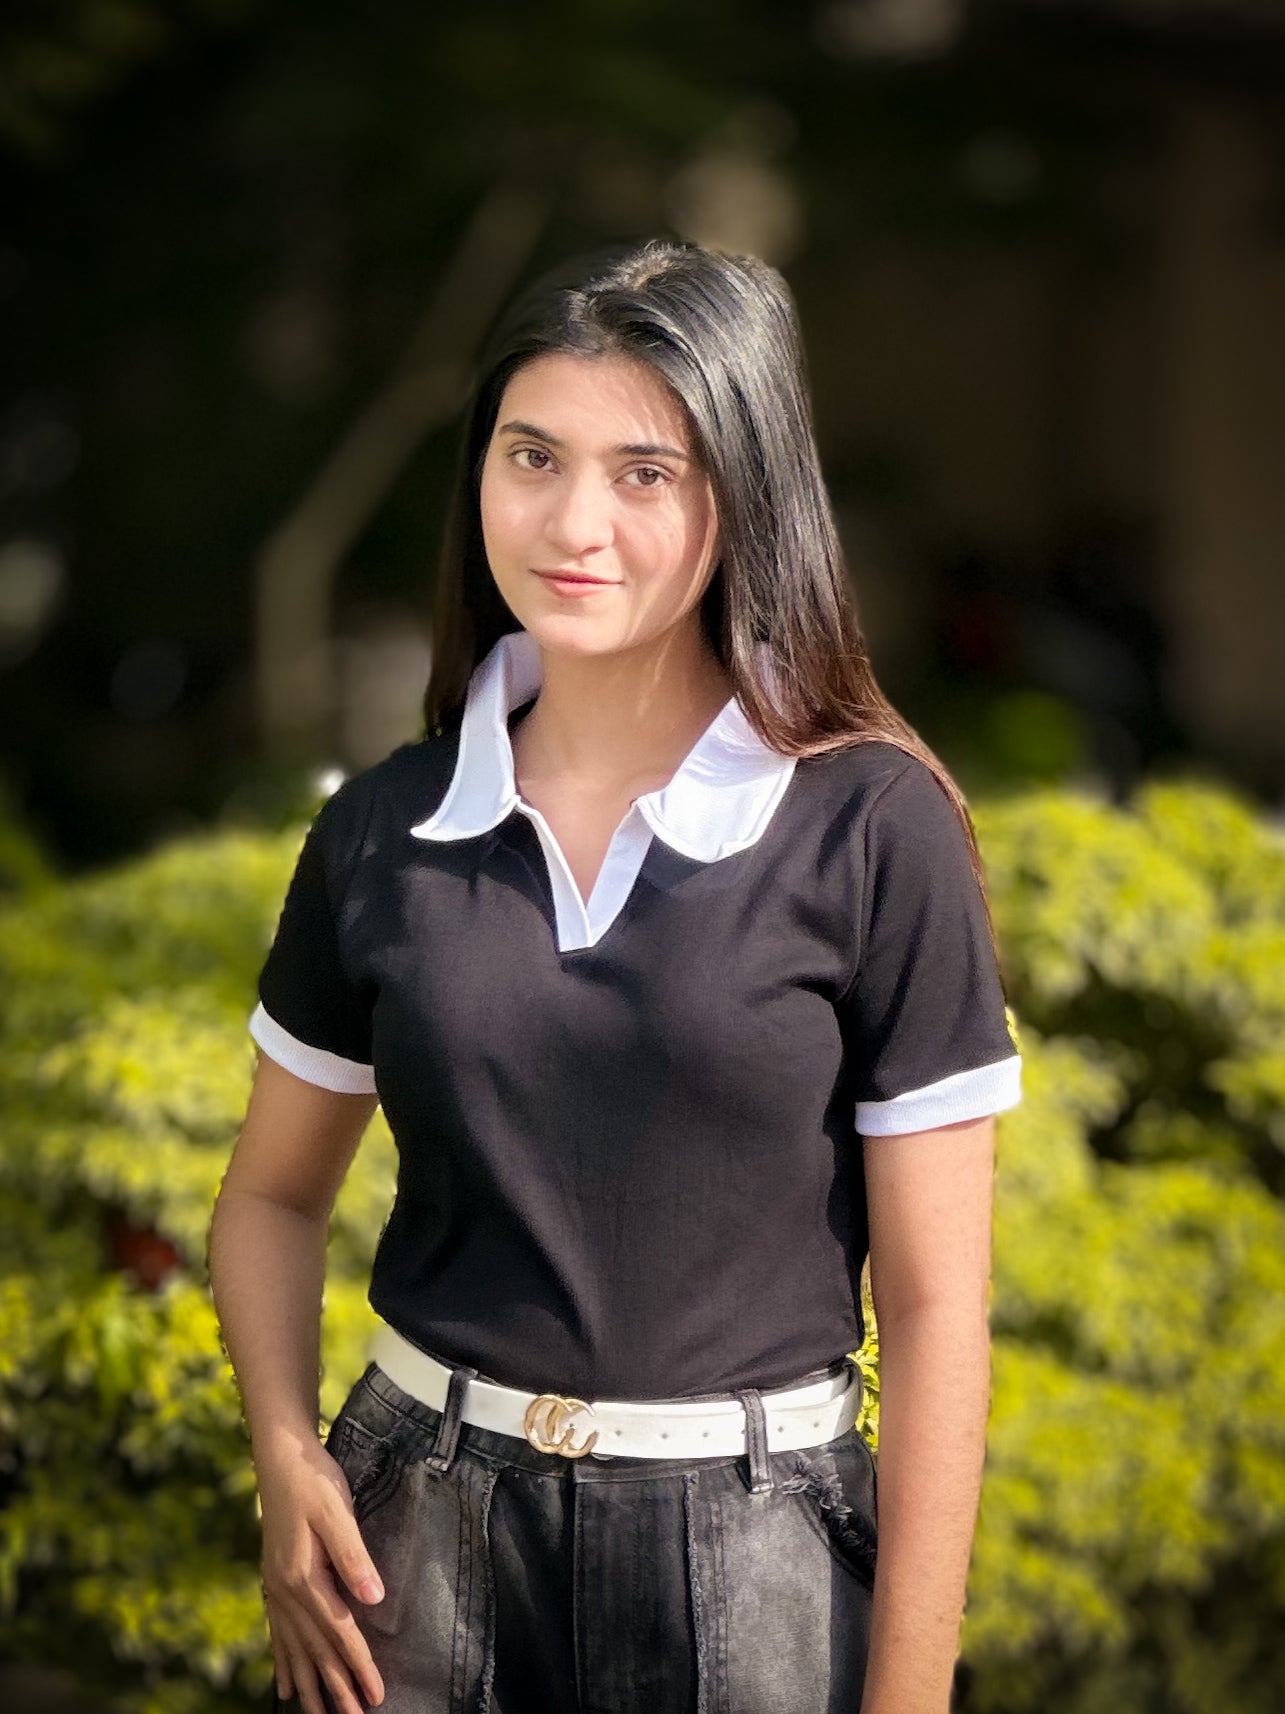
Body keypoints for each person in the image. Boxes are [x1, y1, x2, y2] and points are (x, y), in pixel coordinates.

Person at [208, 237, 1022, 1714]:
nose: (572, 520)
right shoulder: (383, 826)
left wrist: (907, 1691)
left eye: (645, 471)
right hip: (409, 1547)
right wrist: (285, 1454)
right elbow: (269, 1196)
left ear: (746, 494)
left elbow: (934, 1300)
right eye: (532, 455)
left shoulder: (870, 823)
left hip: (762, 1553)